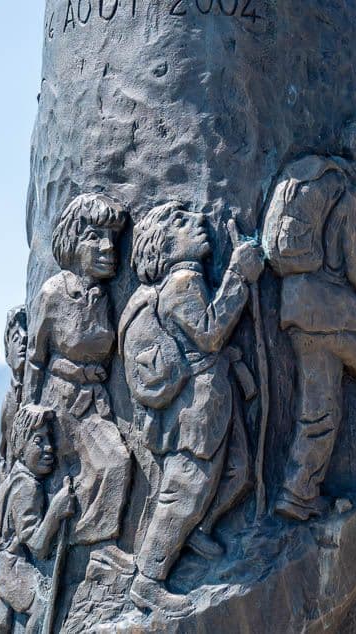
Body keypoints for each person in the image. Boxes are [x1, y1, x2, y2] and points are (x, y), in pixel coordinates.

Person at [262, 112, 356, 522]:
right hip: (337, 315)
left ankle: (297, 494)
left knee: (320, 408)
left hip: (296, 310)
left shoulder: (311, 175)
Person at [119, 202, 263, 613]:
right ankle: (148, 579)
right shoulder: (182, 283)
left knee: (238, 471)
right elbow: (211, 334)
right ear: (161, 243)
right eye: (181, 222)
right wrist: (238, 274)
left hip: (214, 396)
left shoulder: (189, 279)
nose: (199, 223)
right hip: (196, 405)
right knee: (185, 489)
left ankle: (196, 529)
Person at [24, 193, 131, 546]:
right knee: (99, 467)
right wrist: (29, 416)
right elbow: (35, 358)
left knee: (116, 464)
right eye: (94, 237)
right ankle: (71, 542)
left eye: (111, 238)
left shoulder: (102, 297)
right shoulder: (53, 294)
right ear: (73, 241)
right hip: (60, 403)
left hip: (93, 401)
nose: (107, 247)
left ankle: (89, 542)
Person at [0, 405, 75, 634]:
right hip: (13, 567)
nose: (49, 448)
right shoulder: (26, 486)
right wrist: (56, 510)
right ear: (20, 445)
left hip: (3, 567)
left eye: (49, 439)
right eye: (39, 440)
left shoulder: (13, 478)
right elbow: (37, 546)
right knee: (44, 602)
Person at [0, 306, 27, 483]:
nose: (23, 341)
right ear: (8, 351)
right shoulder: (8, 400)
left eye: (28, 337)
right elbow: (2, 449)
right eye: (16, 337)